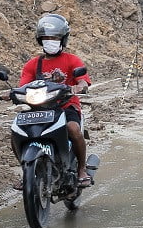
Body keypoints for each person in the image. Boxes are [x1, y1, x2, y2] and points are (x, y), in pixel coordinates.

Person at [17, 13, 92, 189]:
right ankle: (27, 171)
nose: (50, 41)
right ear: (40, 40)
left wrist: (79, 86)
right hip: (39, 108)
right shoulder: (33, 64)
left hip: (66, 105)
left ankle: (81, 169)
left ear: (62, 39)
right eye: (46, 38)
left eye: (55, 38)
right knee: (19, 131)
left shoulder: (71, 60)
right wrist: (12, 93)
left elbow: (83, 80)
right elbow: (23, 86)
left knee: (72, 128)